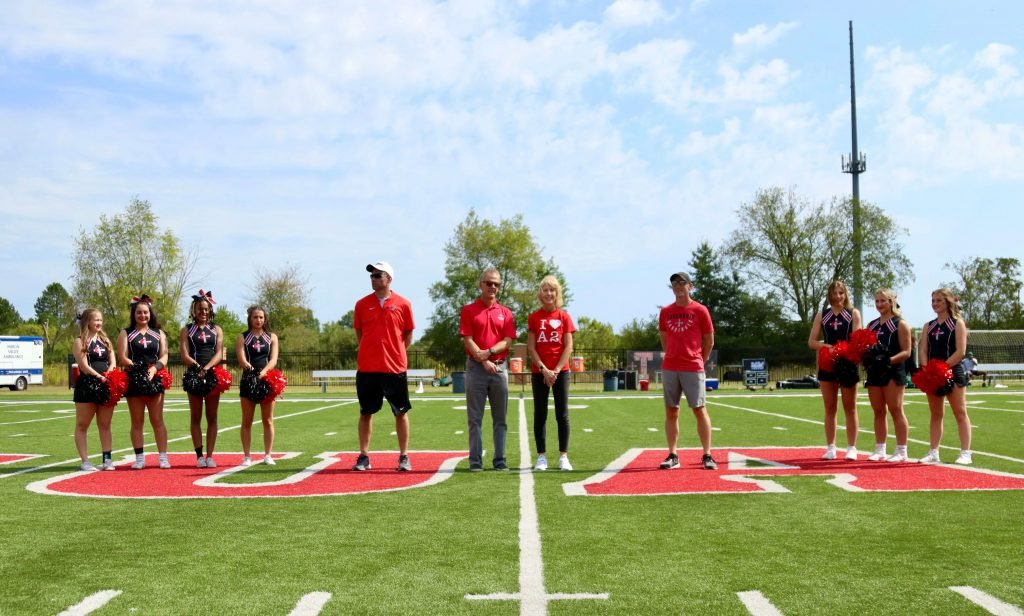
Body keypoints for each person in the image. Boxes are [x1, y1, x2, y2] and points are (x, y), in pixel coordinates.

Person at [351, 261, 416, 472]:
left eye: (378, 275)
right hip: (368, 368)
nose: (373, 279)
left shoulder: (403, 304)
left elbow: (408, 335)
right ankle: (364, 456)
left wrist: (395, 352)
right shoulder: (361, 304)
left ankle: (404, 456)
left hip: (395, 368)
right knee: (366, 412)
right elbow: (360, 335)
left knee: (401, 412)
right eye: (372, 275)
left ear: (388, 278)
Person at [658, 272, 717, 470]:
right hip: (671, 367)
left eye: (682, 282)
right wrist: (671, 354)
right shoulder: (666, 311)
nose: (678, 286)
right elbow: (664, 337)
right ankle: (673, 454)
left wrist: (702, 357)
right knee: (671, 411)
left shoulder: (700, 310)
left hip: (693, 366)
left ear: (690, 286)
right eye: (674, 283)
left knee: (699, 409)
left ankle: (707, 455)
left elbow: (709, 339)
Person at [460, 267, 516, 471]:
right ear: (480, 284)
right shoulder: (468, 310)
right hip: (476, 369)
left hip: (500, 369)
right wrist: (483, 359)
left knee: (500, 419)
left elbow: (508, 341)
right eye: (489, 283)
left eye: (496, 284)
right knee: (475, 419)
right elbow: (468, 339)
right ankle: (475, 462)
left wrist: (490, 351)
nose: (493, 287)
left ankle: (500, 460)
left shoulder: (506, 313)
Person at [807, 280, 862, 461]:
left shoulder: (853, 313)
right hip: (828, 364)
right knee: (830, 407)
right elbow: (812, 342)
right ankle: (831, 447)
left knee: (850, 408)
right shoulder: (822, 315)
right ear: (829, 295)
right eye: (834, 293)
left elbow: (857, 341)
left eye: (841, 293)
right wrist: (828, 347)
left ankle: (852, 447)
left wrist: (844, 350)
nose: (838, 296)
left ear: (845, 294)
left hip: (848, 364)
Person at [527, 275, 576, 472]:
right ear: (540, 294)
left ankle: (563, 456)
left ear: (557, 294)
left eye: (552, 290)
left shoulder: (564, 316)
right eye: (545, 290)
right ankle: (541, 457)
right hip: (539, 372)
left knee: (562, 414)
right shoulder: (533, 318)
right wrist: (544, 369)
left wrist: (555, 370)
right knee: (540, 414)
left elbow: (569, 346)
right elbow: (531, 348)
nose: (549, 293)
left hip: (560, 372)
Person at [919, 288, 972, 465]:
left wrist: (943, 367)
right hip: (933, 374)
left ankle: (965, 453)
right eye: (933, 300)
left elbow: (961, 351)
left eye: (939, 300)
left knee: (960, 411)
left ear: (948, 302)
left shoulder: (957, 323)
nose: (935, 304)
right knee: (936, 414)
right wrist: (928, 369)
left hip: (953, 371)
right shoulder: (929, 326)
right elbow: (923, 350)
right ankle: (934, 451)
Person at [116, 295, 170, 469]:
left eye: (145, 312)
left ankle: (163, 457)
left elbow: (164, 355)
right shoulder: (126, 333)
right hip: (135, 379)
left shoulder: (159, 333)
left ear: (150, 313)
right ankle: (139, 458)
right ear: (134, 314)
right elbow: (122, 357)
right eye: (139, 312)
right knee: (137, 421)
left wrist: (154, 369)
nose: (142, 316)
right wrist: (137, 369)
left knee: (157, 420)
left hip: (154, 378)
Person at [863, 289, 912, 462]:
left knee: (896, 409)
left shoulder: (901, 324)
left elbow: (906, 351)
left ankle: (901, 450)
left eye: (883, 301)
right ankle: (880, 449)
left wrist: (888, 361)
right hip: (875, 371)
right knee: (878, 411)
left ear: (892, 301)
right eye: (877, 301)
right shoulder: (872, 325)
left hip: (893, 370)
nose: (879, 305)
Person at [180, 290, 225, 468]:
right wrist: (197, 367)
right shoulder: (186, 330)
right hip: (194, 375)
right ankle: (199, 456)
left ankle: (210, 456)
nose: (203, 312)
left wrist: (206, 368)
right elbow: (184, 354)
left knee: (212, 417)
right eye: (200, 309)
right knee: (196, 417)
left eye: (206, 309)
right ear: (194, 310)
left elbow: (219, 353)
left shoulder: (216, 329)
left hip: (212, 374)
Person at [72, 308, 116, 471]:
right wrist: (99, 377)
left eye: (100, 320)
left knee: (105, 425)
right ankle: (85, 461)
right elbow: (83, 366)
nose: (98, 323)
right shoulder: (80, 341)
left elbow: (113, 362)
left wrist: (110, 374)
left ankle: (107, 459)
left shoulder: (106, 340)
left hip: (106, 386)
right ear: (87, 322)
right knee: (82, 425)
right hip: (87, 386)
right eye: (95, 320)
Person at [236, 306, 280, 466]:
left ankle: (268, 455)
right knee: (247, 421)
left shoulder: (272, 337)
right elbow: (241, 360)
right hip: (249, 380)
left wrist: (264, 373)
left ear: (265, 319)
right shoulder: (243, 337)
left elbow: (273, 359)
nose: (258, 320)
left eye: (261, 317)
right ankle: (247, 456)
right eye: (255, 317)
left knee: (268, 420)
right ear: (250, 319)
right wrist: (254, 372)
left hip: (267, 380)